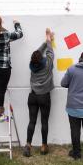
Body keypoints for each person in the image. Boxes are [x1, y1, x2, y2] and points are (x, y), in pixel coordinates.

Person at [23, 28, 55, 157]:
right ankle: (43, 146)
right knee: (44, 121)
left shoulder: (32, 64)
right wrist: (48, 39)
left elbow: (37, 53)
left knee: (32, 121)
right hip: (44, 97)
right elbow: (49, 51)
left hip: (32, 96)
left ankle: (28, 145)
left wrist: (46, 40)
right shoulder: (48, 63)